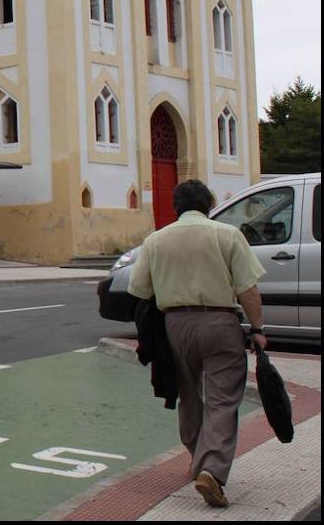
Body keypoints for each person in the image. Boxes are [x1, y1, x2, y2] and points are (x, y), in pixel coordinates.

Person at [128, 179, 266, 509]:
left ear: (176, 207)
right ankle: (213, 470)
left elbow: (139, 290)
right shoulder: (228, 235)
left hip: (175, 324)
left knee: (188, 394)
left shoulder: (155, 240)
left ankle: (196, 459)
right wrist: (258, 328)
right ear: (209, 204)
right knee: (222, 398)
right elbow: (247, 289)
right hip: (219, 322)